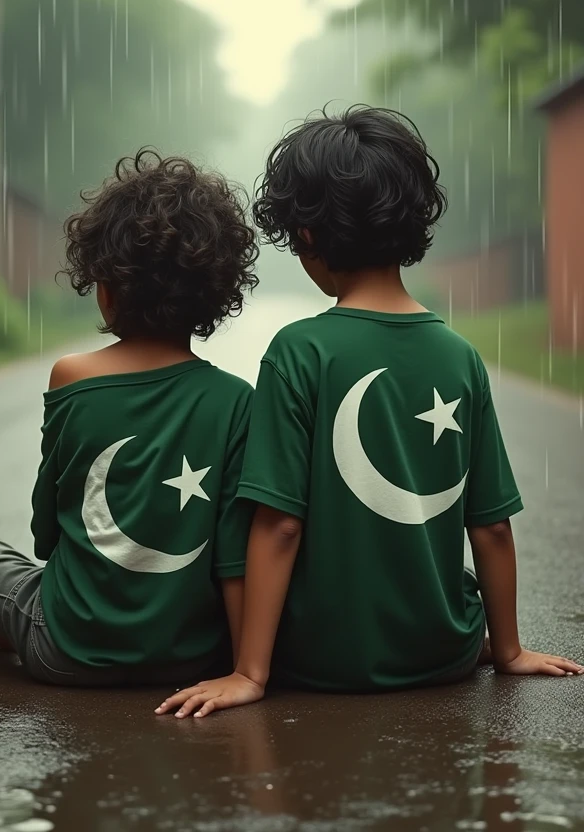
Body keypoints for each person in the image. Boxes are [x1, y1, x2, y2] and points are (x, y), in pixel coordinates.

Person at [156, 105, 583, 718]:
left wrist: (251, 672)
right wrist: (509, 650)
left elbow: (279, 523)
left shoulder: (299, 350)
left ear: (305, 236)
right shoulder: (460, 356)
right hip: (444, 657)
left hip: (319, 662)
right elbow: (489, 524)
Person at [0, 150, 258, 686]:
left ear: (104, 287)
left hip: (65, 651)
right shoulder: (236, 399)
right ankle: (5, 621)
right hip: (193, 658)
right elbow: (232, 556)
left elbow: (46, 529)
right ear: (215, 293)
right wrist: (243, 668)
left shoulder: (72, 376)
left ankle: (1, 622)